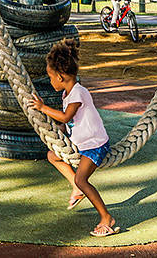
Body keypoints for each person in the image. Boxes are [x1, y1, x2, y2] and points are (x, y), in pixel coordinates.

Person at [31, 39, 119, 237]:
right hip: (82, 143)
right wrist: (55, 131)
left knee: (83, 179)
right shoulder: (68, 94)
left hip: (95, 145)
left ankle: (106, 217)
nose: (50, 80)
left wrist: (42, 108)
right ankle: (75, 186)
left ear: (61, 77)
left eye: (51, 76)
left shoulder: (78, 92)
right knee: (52, 156)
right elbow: (69, 123)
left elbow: (66, 117)